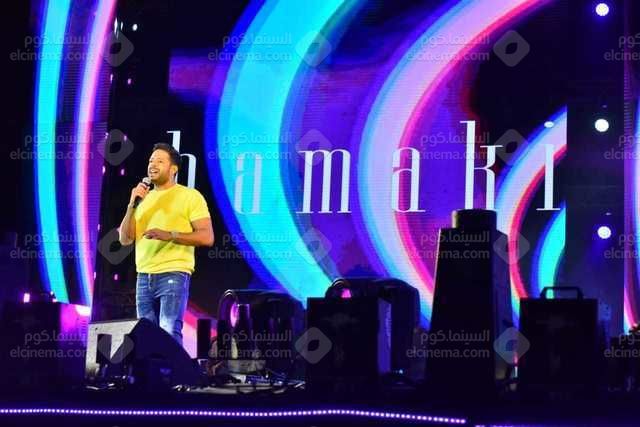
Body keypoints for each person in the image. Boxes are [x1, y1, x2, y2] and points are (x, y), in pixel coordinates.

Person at [118, 143, 214, 345]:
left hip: (173, 272)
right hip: (144, 276)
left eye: (160, 161)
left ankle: (174, 368)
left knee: (168, 332)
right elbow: (125, 239)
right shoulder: (142, 198)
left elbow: (207, 237)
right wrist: (131, 204)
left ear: (173, 169)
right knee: (146, 337)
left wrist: (169, 235)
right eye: (151, 161)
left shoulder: (189, 196)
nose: (152, 165)